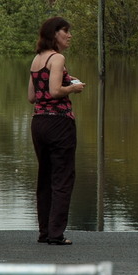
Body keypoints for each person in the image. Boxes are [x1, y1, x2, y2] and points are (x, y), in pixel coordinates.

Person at [28, 16, 85, 245]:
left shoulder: (36, 59)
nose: (69, 35)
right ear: (54, 35)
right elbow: (54, 91)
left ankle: (44, 231)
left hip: (39, 122)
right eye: (65, 31)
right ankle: (56, 234)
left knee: (45, 177)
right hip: (59, 122)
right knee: (62, 177)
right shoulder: (57, 58)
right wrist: (73, 87)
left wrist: (64, 84)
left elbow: (32, 96)